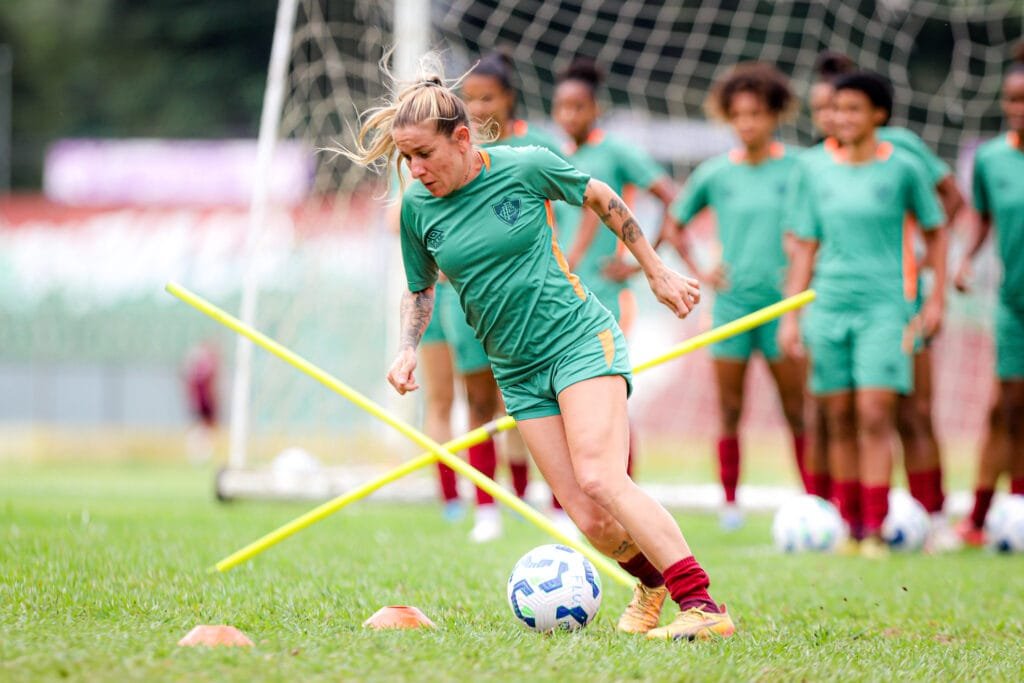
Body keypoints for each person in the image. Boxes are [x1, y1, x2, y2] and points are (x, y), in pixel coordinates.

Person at [337, 54, 734, 640]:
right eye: (406, 158)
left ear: (464, 137)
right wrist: (407, 348)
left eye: (424, 154)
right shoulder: (418, 209)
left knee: (601, 476)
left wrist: (655, 270)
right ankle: (652, 582)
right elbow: (420, 289)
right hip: (517, 371)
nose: (415, 169)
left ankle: (703, 605)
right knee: (589, 518)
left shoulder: (523, 166)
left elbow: (602, 197)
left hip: (577, 340)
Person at [781, 71, 947, 558]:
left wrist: (935, 300)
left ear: (879, 114)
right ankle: (850, 527)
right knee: (836, 414)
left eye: (854, 109)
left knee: (876, 413)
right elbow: (805, 246)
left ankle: (876, 528)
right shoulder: (812, 168)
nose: (842, 118)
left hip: (886, 307)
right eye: (836, 109)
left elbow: (936, 231)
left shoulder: (904, 168)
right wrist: (791, 315)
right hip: (828, 305)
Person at [666, 62, 807, 531]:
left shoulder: (799, 169)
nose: (748, 123)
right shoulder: (715, 173)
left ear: (775, 116)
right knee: (729, 409)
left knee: (796, 408)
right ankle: (730, 503)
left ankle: (810, 500)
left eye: (757, 114)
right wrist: (701, 270)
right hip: (730, 308)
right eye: (739, 115)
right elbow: (675, 222)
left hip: (785, 307)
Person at [548, 58, 675, 527]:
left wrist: (643, 260)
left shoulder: (616, 153)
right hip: (558, 299)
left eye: (578, 107)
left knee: (604, 398)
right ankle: (571, 501)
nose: (569, 116)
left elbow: (670, 197)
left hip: (605, 295)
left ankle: (623, 495)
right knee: (558, 401)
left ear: (595, 108)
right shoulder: (547, 156)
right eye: (561, 107)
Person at [954, 43, 1024, 545]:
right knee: (1006, 406)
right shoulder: (992, 159)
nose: (1016, 108)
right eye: (1011, 99)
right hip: (1013, 303)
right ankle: (979, 519)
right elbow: (982, 215)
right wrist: (965, 257)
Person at [183, 340, 219, 464]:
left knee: (205, 427)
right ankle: (200, 453)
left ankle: (201, 452)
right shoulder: (205, 366)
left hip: (202, 401)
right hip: (203, 401)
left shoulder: (200, 366)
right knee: (203, 427)